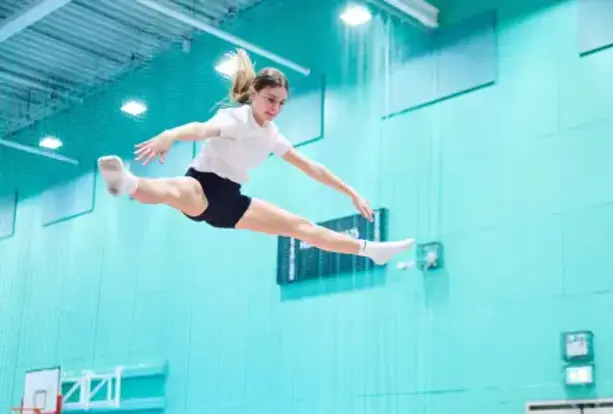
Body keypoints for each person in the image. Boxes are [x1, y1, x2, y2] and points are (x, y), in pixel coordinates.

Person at [96, 49, 414, 266]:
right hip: (202, 188)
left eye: (281, 103)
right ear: (255, 95)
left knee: (301, 227)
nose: (274, 108)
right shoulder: (235, 119)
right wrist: (169, 135)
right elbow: (200, 128)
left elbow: (311, 168)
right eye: (270, 99)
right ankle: (127, 182)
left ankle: (370, 251)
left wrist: (352, 193)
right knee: (173, 191)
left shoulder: (271, 134)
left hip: (232, 203)